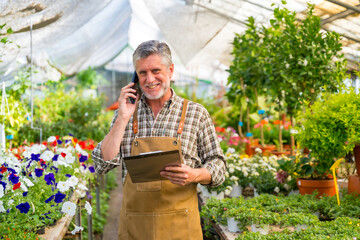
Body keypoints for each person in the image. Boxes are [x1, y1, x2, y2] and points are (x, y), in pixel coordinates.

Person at [92, 40, 226, 240]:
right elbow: (101, 164)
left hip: (181, 228)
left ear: (170, 71)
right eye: (142, 73)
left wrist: (195, 175)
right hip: (136, 228)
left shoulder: (196, 113)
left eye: (156, 70)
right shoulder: (127, 114)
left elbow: (219, 166)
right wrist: (122, 117)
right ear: (135, 77)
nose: (150, 79)